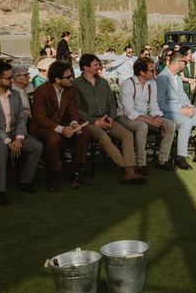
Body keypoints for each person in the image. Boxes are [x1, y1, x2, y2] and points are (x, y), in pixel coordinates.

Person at [0, 61, 43, 206]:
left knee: (37, 146)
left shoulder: (15, 94)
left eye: (12, 77)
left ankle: (25, 181)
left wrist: (18, 138)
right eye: (8, 78)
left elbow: (21, 119)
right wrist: (8, 141)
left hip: (13, 134)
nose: (11, 80)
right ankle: (0, 192)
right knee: (1, 147)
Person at [73, 54, 145, 185]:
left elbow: (112, 103)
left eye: (98, 64)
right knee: (103, 136)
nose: (99, 67)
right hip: (89, 122)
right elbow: (77, 109)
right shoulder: (76, 84)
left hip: (107, 118)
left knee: (127, 135)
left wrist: (111, 118)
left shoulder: (103, 82)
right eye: (95, 65)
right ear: (85, 67)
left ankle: (129, 168)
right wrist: (94, 121)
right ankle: (126, 168)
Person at [30, 60, 92, 191]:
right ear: (57, 79)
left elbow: (73, 111)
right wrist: (61, 129)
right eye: (68, 77)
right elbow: (40, 118)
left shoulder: (70, 89)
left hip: (64, 125)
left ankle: (77, 171)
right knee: (54, 138)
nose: (72, 79)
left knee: (84, 131)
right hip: (43, 128)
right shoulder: (41, 91)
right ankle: (53, 174)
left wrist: (74, 124)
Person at [156, 51, 196, 170]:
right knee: (186, 122)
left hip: (183, 110)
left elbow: (183, 96)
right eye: (185, 63)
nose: (185, 65)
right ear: (179, 63)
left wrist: (190, 106)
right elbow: (160, 105)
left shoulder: (178, 77)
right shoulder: (161, 78)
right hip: (169, 113)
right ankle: (180, 156)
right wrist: (180, 111)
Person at [118, 58, 177, 173]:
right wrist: (150, 120)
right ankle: (141, 164)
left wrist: (158, 118)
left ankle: (162, 160)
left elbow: (154, 106)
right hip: (125, 117)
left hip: (145, 116)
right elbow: (129, 111)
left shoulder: (152, 83)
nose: (154, 72)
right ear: (142, 72)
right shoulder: (128, 84)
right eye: (151, 70)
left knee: (170, 124)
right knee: (142, 126)